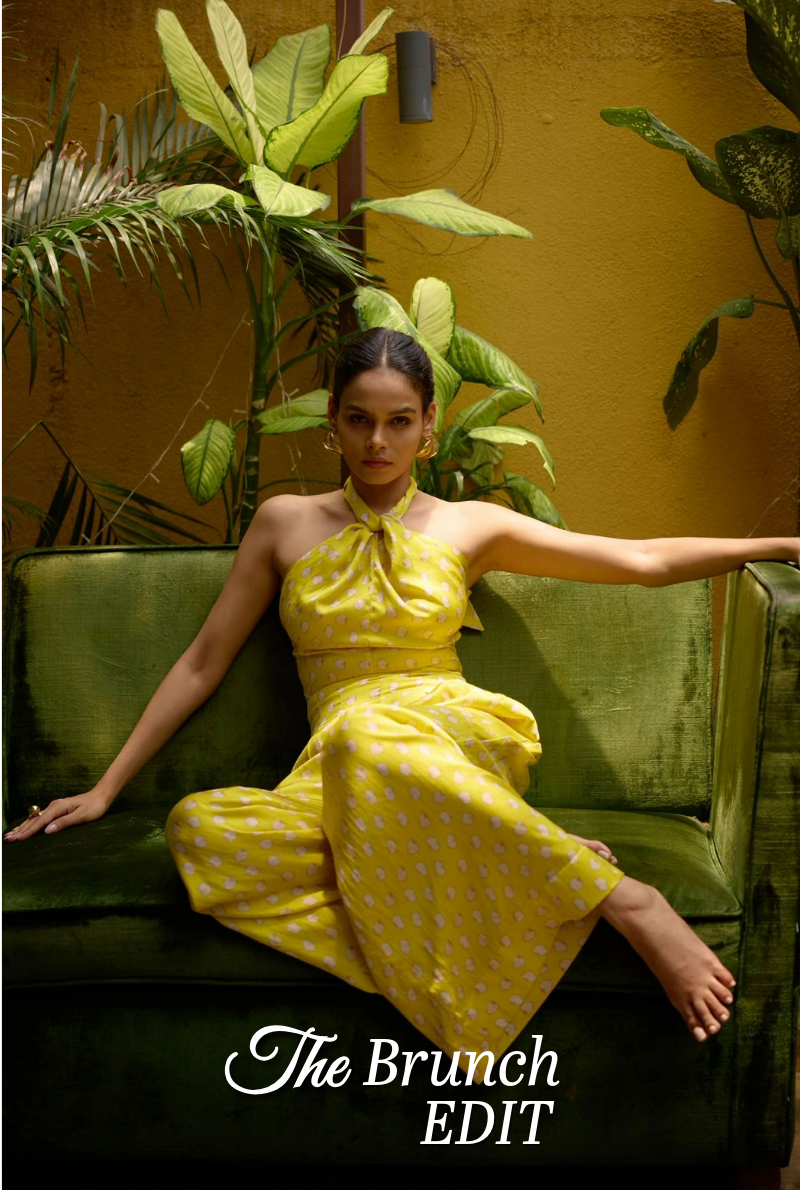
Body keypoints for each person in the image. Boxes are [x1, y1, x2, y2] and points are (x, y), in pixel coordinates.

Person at [5, 328, 798, 1080]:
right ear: (332, 421)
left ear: (428, 427)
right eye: (359, 420)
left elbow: (641, 559)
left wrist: (783, 545)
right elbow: (202, 662)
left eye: (398, 421)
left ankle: (626, 899)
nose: (377, 442)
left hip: (445, 733)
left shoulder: (468, 526)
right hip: (340, 765)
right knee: (200, 831)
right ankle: (516, 854)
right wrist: (105, 789)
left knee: (365, 737)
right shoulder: (284, 523)